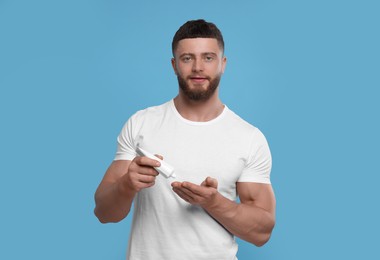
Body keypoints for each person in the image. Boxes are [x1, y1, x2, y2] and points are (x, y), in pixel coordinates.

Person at [94, 19, 276, 260]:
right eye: (187, 58)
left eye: (208, 58)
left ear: (223, 64)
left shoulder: (249, 138)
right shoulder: (141, 124)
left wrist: (214, 203)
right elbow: (104, 212)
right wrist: (128, 183)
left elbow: (262, 233)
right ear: (174, 65)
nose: (198, 67)